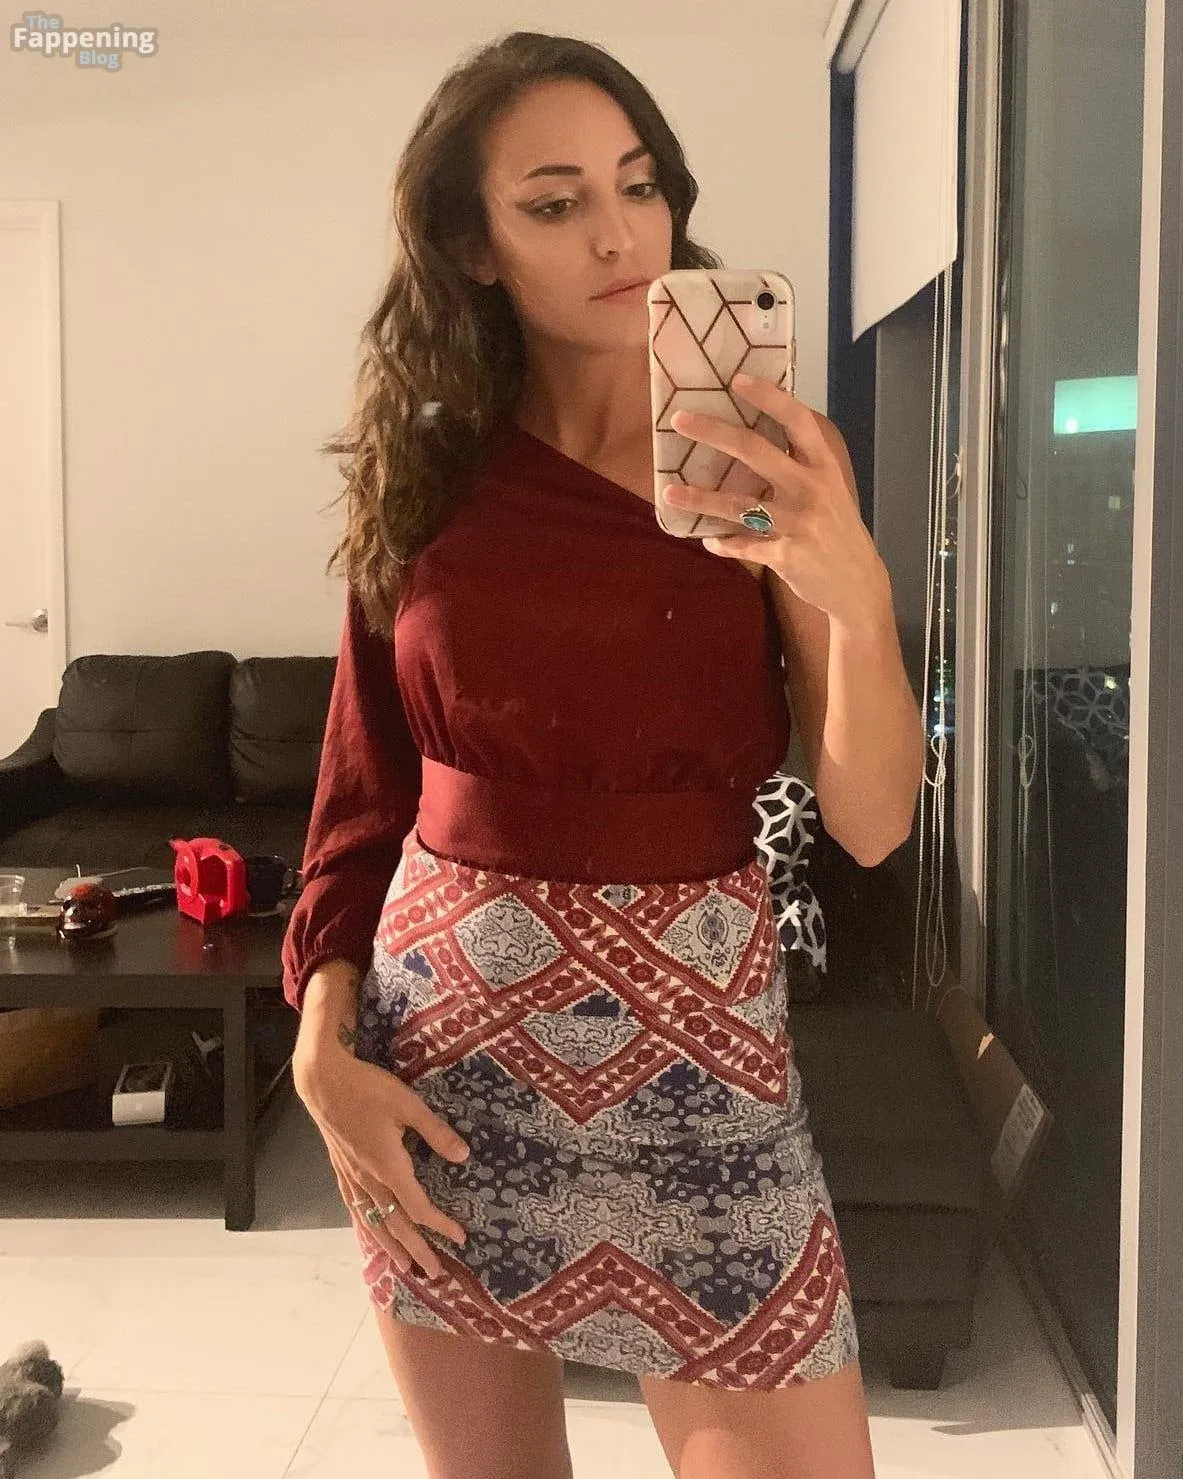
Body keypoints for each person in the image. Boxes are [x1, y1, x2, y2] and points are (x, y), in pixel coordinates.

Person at [281, 30, 924, 1479]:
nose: (620, 233)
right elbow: (362, 793)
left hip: (703, 1072)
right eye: (555, 202)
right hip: (439, 1068)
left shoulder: (767, 458)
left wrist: (855, 591)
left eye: (639, 186)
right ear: (473, 245)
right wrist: (320, 1041)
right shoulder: (426, 466)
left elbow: (873, 818)